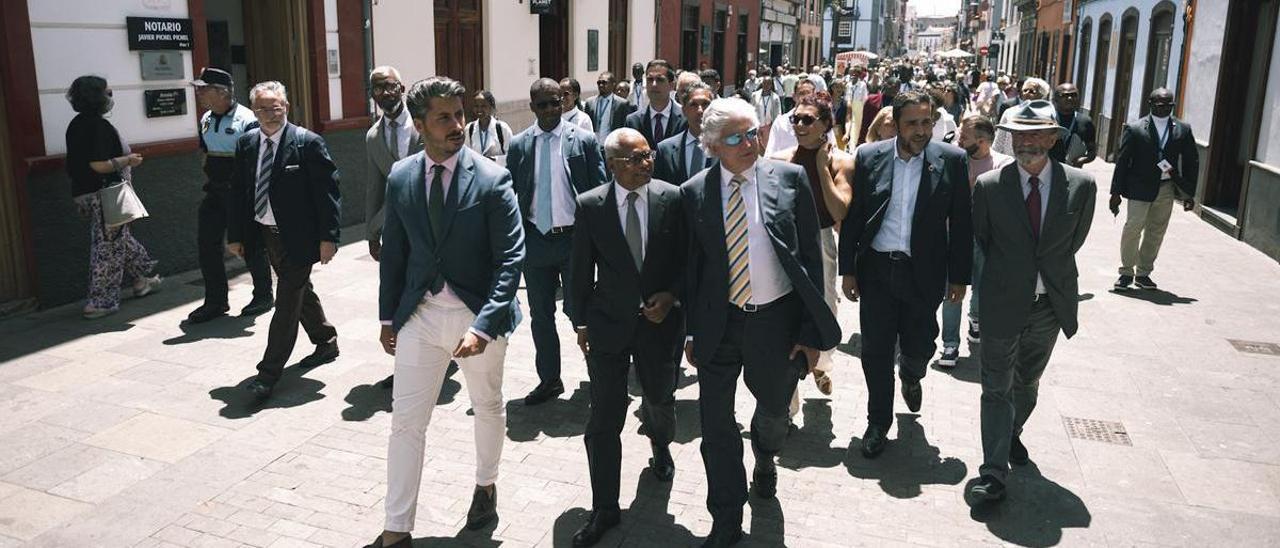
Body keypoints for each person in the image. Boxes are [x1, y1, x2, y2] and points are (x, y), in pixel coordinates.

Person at [367, 76, 526, 548]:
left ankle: (485, 484)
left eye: (459, 114)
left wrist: (483, 325)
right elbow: (394, 253)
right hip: (420, 315)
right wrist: (387, 318)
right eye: (444, 117)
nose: (458, 124)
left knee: (487, 405)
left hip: (478, 318)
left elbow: (510, 260)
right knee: (406, 421)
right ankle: (397, 528)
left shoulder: (493, 179)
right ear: (420, 125)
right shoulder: (401, 177)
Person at [681, 98, 841, 547]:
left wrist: (812, 335)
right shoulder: (694, 192)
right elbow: (692, 271)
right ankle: (726, 518)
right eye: (735, 137)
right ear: (712, 145)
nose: (749, 143)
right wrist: (692, 330)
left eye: (753, 132)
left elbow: (812, 260)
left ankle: (766, 458)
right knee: (715, 429)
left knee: (773, 413)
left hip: (776, 323)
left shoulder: (789, 180)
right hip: (720, 325)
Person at [967, 100, 1097, 503]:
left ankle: (1011, 434)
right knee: (995, 388)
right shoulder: (990, 187)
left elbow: (1072, 244)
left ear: (1055, 138)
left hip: (1048, 307)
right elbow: (983, 242)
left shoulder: (1082, 185)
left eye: (1038, 133)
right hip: (1002, 303)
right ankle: (993, 471)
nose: (1029, 143)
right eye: (1021, 134)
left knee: (1027, 383)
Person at [567, 128, 686, 547]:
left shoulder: (673, 198)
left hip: (660, 326)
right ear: (612, 165)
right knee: (604, 418)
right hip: (608, 326)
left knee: (659, 397)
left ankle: (660, 444)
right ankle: (605, 508)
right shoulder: (591, 205)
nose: (645, 164)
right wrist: (579, 322)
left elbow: (687, 261)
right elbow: (579, 271)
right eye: (633, 159)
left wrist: (672, 297)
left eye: (647, 156)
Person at [838, 91, 972, 459]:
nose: (921, 130)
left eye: (926, 122)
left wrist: (959, 278)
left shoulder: (951, 160)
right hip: (878, 269)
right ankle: (878, 422)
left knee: (920, 344)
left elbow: (962, 223)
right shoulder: (869, 156)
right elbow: (855, 216)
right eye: (912, 123)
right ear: (895, 124)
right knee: (876, 351)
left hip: (924, 273)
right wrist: (847, 270)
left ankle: (912, 374)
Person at [227, 81, 341, 401]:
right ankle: (325, 340)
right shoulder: (247, 143)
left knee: (287, 299)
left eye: (276, 107)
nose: (270, 114)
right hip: (265, 233)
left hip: (300, 238)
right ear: (254, 111)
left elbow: (327, 195)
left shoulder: (307, 143)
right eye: (262, 108)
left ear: (286, 107)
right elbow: (238, 193)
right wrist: (235, 235)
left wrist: (328, 238)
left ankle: (268, 373)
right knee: (300, 291)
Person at [508, 78, 608, 405]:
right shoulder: (520, 145)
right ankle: (549, 380)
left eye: (556, 102)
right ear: (532, 106)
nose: (551, 109)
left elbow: (600, 192)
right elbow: (512, 194)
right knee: (541, 316)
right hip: (535, 242)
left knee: (581, 311)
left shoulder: (584, 140)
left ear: (564, 101)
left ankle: (601, 376)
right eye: (543, 104)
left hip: (573, 242)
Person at [769, 91, 854, 417]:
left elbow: (839, 211)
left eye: (808, 119)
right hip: (786, 245)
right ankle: (788, 407)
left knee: (824, 310)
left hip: (821, 244)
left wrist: (820, 168)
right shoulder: (779, 160)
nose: (800, 125)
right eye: (795, 119)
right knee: (784, 317)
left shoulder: (842, 162)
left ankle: (819, 363)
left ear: (825, 125)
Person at [64, 75, 162, 319]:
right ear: (97, 97)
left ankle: (143, 277)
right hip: (105, 196)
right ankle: (101, 302)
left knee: (118, 239)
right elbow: (99, 165)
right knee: (107, 249)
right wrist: (128, 160)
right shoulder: (98, 126)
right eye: (108, 93)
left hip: (86, 194)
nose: (111, 97)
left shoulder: (76, 124)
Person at [188, 67, 273, 324]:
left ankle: (263, 295)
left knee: (249, 245)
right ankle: (215, 300)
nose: (200, 94)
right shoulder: (205, 118)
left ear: (222, 92)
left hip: (241, 192)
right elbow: (204, 150)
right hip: (215, 190)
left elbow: (259, 158)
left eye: (205, 89)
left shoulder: (247, 119)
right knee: (207, 245)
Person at [939, 115, 1013, 366]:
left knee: (982, 288)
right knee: (952, 291)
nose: (958, 140)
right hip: (953, 237)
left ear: (981, 141)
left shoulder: (1003, 165)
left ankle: (976, 318)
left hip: (986, 239)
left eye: (964, 137)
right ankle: (950, 344)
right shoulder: (954, 160)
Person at [1110, 88, 1198, 291]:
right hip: (1139, 187)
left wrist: (1188, 193)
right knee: (1133, 228)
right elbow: (1122, 162)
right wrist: (1116, 192)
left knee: (1156, 231)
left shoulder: (1182, 129)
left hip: (1166, 187)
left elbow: (1192, 162)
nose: (1164, 107)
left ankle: (1143, 273)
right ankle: (1125, 272)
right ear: (1150, 104)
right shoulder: (1135, 128)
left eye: (1168, 104)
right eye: (1159, 104)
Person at [366, 66, 421, 264]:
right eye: (378, 88)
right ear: (372, 94)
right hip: (393, 225)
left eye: (391, 86)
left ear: (402, 88)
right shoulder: (373, 137)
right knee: (394, 287)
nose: (386, 93)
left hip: (429, 222)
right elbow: (375, 187)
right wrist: (371, 234)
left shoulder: (423, 124)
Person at [654, 83, 714, 186]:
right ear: (684, 111)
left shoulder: (726, 147)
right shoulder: (665, 149)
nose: (700, 111)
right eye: (693, 105)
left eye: (705, 104)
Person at [624, 60, 687, 149]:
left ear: (671, 85)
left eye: (660, 80)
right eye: (650, 79)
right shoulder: (633, 121)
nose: (654, 84)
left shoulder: (686, 118)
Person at [764, 79, 833, 156]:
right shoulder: (780, 122)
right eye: (802, 93)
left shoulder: (821, 119)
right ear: (794, 96)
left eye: (809, 93)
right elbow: (770, 152)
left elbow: (832, 147)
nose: (805, 97)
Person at [993, 78, 1051, 156]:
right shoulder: (1009, 112)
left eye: (1031, 91)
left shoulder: (1047, 115)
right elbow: (999, 141)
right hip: (1009, 160)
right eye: (1025, 90)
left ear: (1042, 94)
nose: (1027, 93)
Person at [1048, 83, 1097, 168]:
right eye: (1064, 95)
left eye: (1073, 95)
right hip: (1048, 169)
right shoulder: (1047, 120)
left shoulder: (1085, 122)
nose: (1070, 98)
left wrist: (1082, 160)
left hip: (1072, 171)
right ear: (1055, 99)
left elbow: (1092, 151)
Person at [464, 90, 514, 165]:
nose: (479, 110)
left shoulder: (502, 128)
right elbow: (465, 155)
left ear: (491, 107)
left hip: (497, 174)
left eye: (483, 106)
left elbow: (512, 155)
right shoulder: (469, 129)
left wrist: (494, 160)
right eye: (476, 106)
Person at [586, 72, 633, 143]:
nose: (601, 85)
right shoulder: (589, 102)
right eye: (599, 83)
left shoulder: (622, 104)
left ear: (613, 84)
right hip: (594, 145)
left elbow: (625, 128)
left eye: (604, 83)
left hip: (612, 145)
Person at [857, 76, 901, 145]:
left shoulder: (899, 105)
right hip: (871, 139)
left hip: (890, 141)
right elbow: (865, 123)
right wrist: (861, 141)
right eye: (893, 86)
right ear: (885, 84)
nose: (895, 90)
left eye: (897, 88)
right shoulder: (871, 100)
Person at [751, 78, 783, 150]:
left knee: (767, 147)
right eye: (764, 83)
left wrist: (775, 126)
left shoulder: (775, 97)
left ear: (771, 85)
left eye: (768, 83)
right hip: (757, 126)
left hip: (768, 126)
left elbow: (778, 113)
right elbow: (751, 109)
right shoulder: (755, 95)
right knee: (756, 147)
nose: (766, 85)